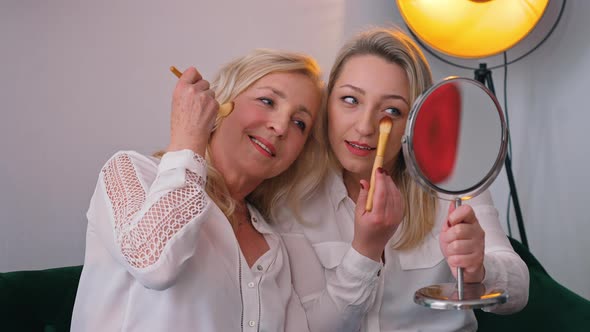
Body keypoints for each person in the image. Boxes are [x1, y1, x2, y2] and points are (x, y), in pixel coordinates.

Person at [275, 28, 530, 331]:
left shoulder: (451, 186)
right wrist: (365, 250)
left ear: (414, 121)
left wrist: (479, 268)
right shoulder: (291, 198)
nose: (366, 126)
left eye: (392, 110)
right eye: (350, 100)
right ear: (327, 104)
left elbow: (519, 293)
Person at [71, 48, 325, 331]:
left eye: (299, 123)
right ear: (219, 104)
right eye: (267, 101)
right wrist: (189, 136)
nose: (280, 127)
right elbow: (154, 264)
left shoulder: (274, 245)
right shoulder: (130, 172)